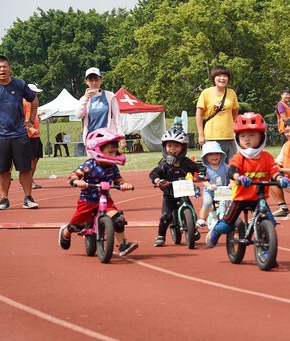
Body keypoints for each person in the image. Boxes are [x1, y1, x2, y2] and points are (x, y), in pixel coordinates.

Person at [205, 112, 290, 250]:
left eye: (252, 135)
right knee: (227, 225)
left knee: (269, 222)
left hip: (259, 197)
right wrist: (238, 177)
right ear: (237, 138)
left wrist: (281, 178)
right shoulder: (238, 158)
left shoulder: (266, 157)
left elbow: (274, 170)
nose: (247, 139)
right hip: (240, 197)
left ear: (261, 137)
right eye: (243, 136)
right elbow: (231, 170)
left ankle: (266, 252)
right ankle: (215, 231)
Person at [58, 128, 138, 257]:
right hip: (87, 200)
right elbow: (74, 175)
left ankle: (123, 244)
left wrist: (124, 184)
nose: (113, 155)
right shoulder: (89, 165)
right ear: (97, 150)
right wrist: (77, 181)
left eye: (115, 151)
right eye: (109, 152)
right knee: (77, 226)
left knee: (118, 219)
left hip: (105, 199)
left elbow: (118, 179)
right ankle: (65, 232)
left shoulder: (113, 167)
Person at [0, 55, 39, 210]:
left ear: (10, 68)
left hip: (19, 134)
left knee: (25, 168)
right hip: (0, 136)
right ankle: (4, 199)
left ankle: (28, 197)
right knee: (2, 169)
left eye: (5, 66)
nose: (2, 69)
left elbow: (33, 100)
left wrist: (31, 120)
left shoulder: (19, 84)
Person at [149, 128, 207, 247]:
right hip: (169, 195)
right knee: (166, 216)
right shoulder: (164, 164)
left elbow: (200, 167)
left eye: (176, 146)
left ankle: (192, 228)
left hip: (184, 194)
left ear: (183, 148)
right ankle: (160, 236)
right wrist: (158, 180)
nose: (172, 149)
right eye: (169, 145)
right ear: (164, 147)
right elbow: (154, 173)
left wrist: (201, 174)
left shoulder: (186, 162)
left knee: (192, 213)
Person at [75, 67, 126, 149]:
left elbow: (117, 117)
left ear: (101, 80)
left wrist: (122, 137)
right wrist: (85, 98)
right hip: (92, 138)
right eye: (91, 80)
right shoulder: (84, 99)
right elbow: (78, 115)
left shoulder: (110, 96)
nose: (94, 83)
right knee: (94, 162)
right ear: (86, 82)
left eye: (96, 79)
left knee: (109, 161)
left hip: (108, 137)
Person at [195, 66, 239, 161]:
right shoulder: (206, 93)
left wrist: (237, 131)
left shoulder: (232, 93)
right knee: (214, 165)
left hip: (230, 137)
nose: (222, 78)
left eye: (225, 76)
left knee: (232, 165)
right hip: (212, 137)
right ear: (214, 78)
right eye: (219, 75)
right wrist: (201, 134)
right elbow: (198, 115)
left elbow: (235, 114)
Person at [196, 141, 230, 229]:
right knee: (207, 203)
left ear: (221, 155)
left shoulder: (224, 166)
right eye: (210, 154)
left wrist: (232, 184)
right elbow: (203, 180)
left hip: (223, 191)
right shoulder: (205, 169)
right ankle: (202, 219)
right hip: (210, 191)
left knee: (229, 204)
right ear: (205, 157)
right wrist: (209, 185)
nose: (214, 156)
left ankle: (231, 219)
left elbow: (231, 175)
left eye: (216, 154)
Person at [24, 84, 44, 189]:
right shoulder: (23, 103)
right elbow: (20, 119)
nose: (35, 95)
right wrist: (30, 128)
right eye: (34, 93)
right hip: (28, 136)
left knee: (36, 158)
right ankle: (27, 182)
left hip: (36, 136)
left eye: (36, 93)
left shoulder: (33, 104)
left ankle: (31, 179)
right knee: (29, 160)